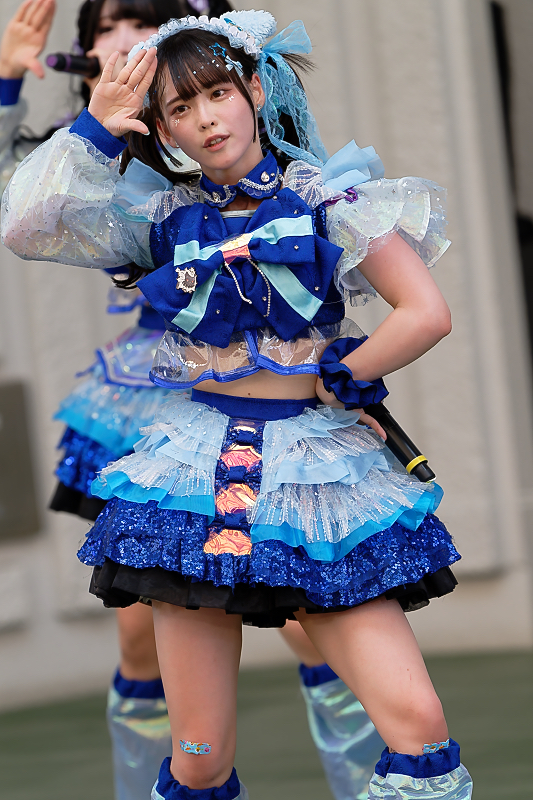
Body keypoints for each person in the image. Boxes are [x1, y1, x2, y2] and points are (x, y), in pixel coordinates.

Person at [1, 9, 473, 800]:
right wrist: (95, 128)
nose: (206, 119)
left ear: (253, 89)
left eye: (217, 93)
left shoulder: (330, 198)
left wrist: (346, 372)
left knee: (420, 730)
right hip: (190, 482)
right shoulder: (156, 216)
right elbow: (25, 226)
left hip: (318, 481)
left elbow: (425, 312)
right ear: (163, 129)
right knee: (198, 761)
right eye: (180, 108)